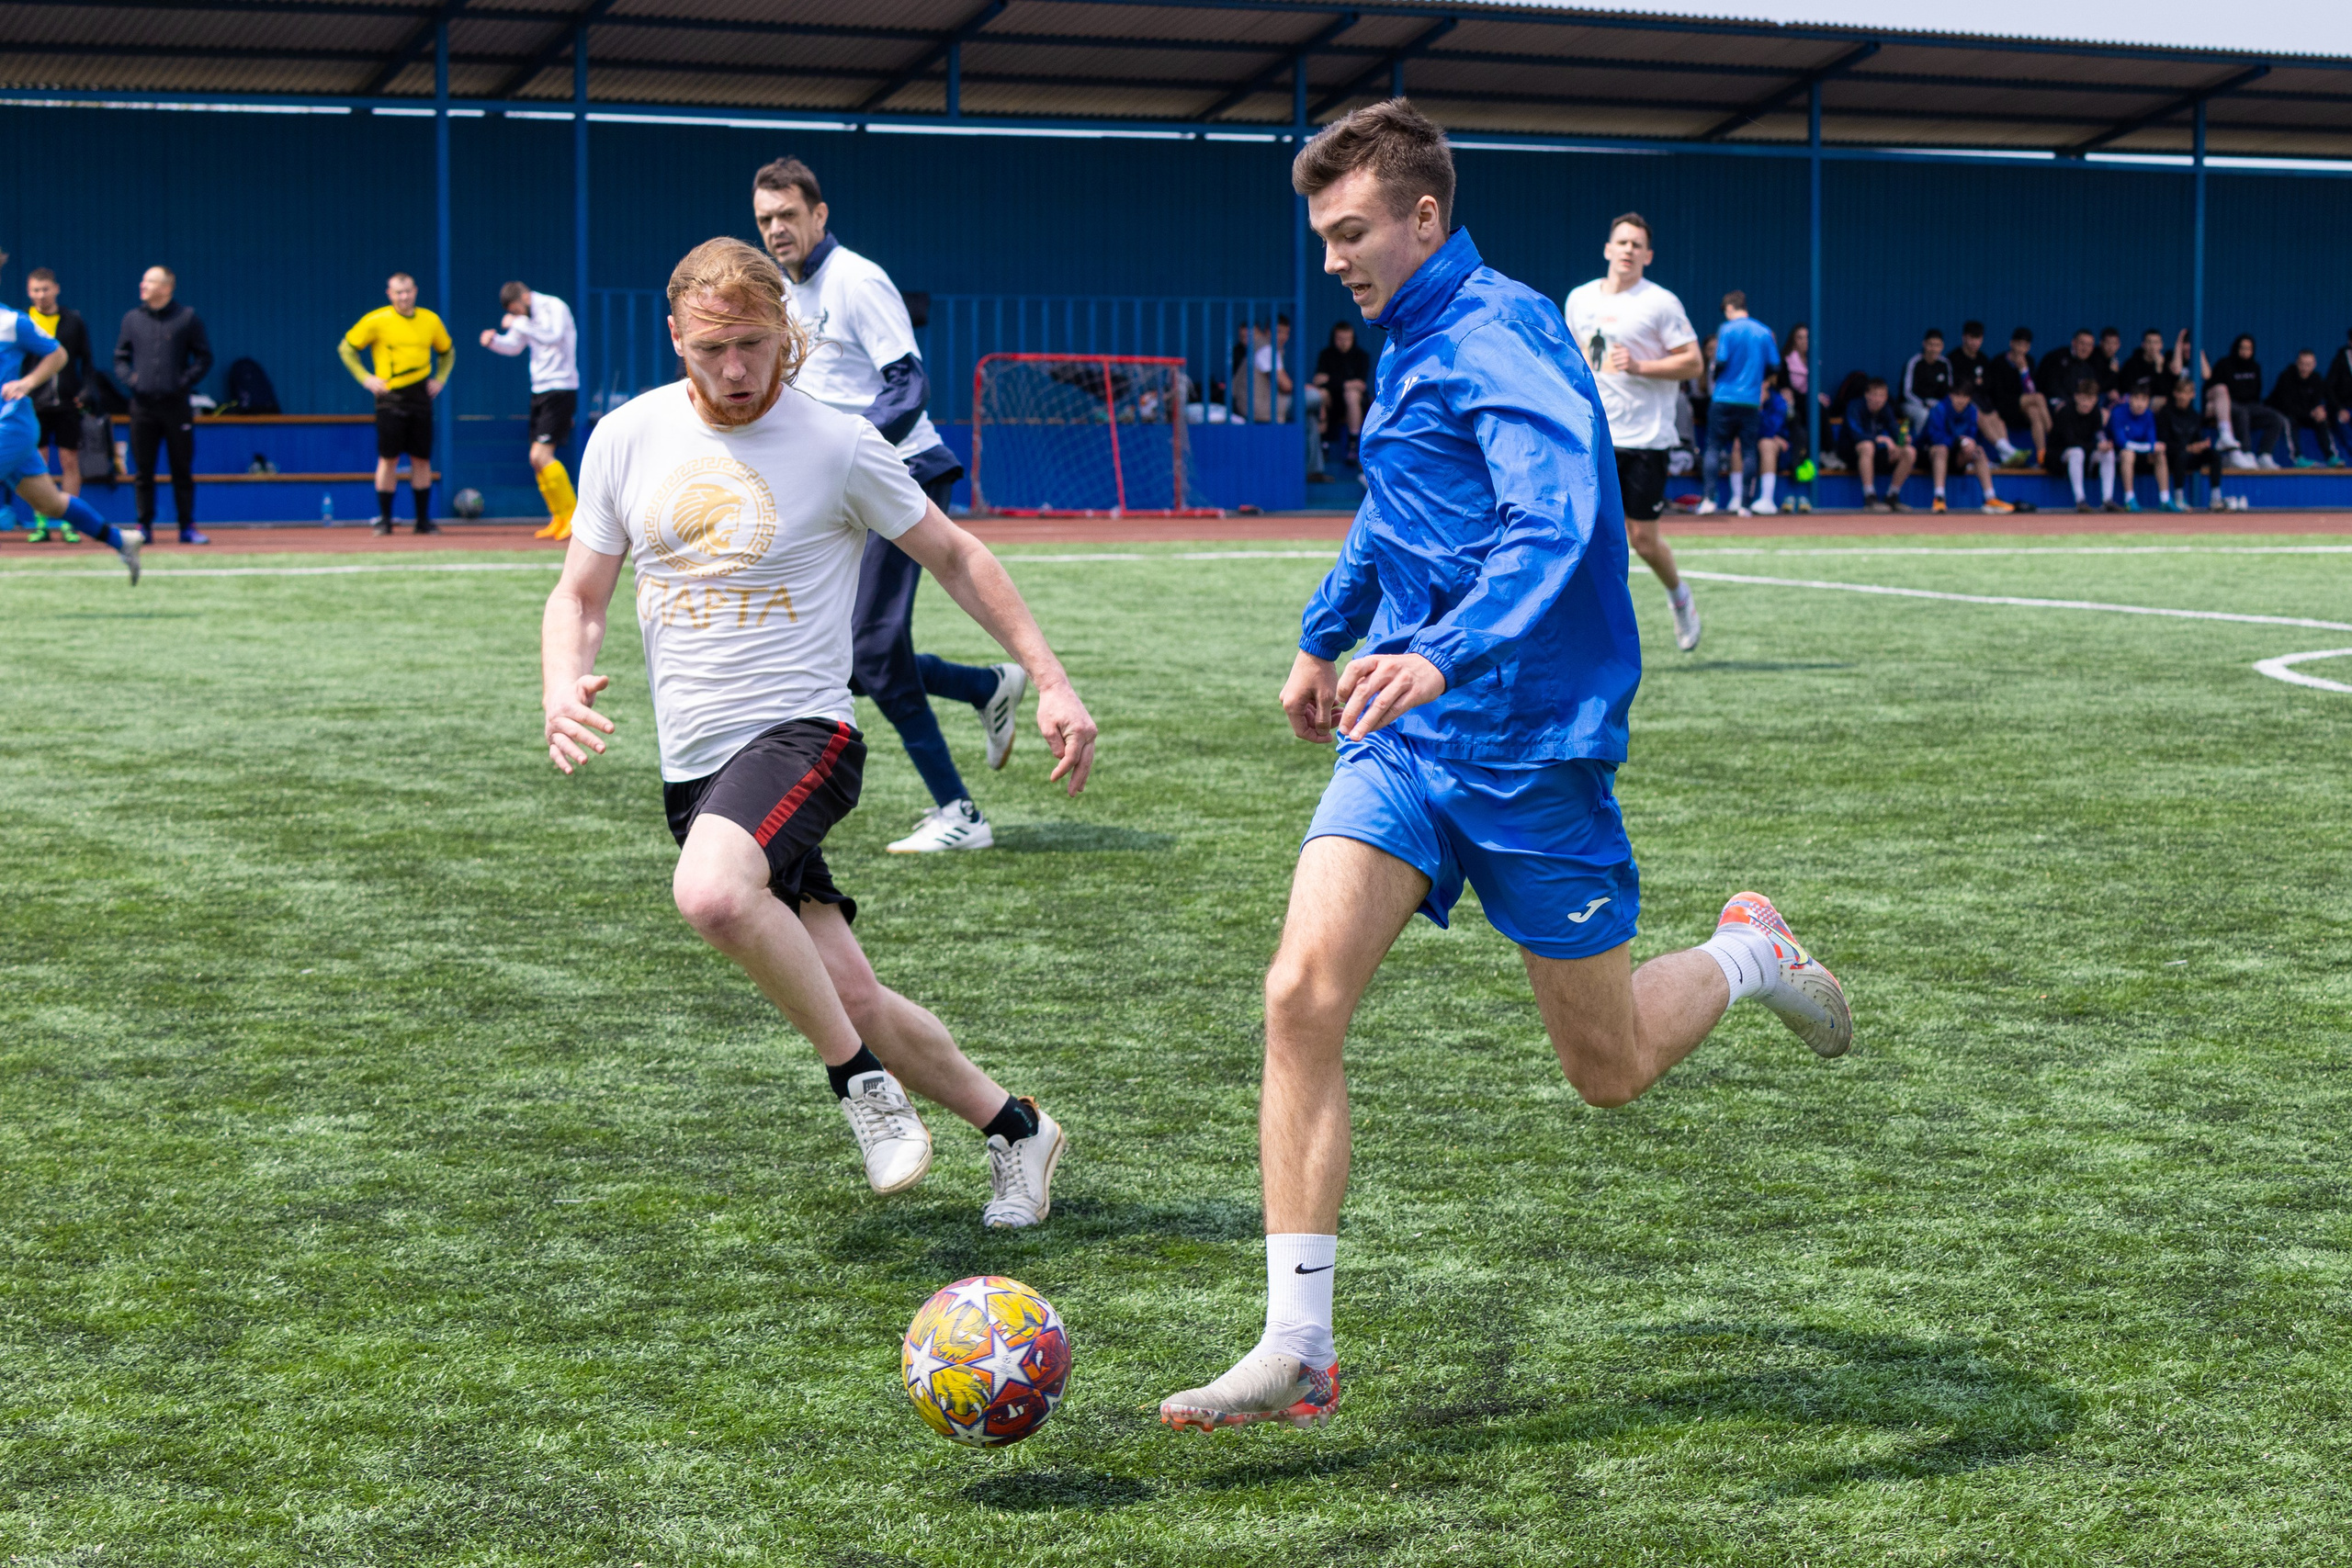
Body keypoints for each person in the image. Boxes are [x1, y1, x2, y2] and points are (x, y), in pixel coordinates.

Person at [1157, 98, 1851, 1435]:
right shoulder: (1411, 340)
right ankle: (1299, 1340)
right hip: (1409, 740)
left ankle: (1751, 949)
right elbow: (1398, 504)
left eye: (1352, 230)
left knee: (1609, 1065)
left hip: (1532, 741)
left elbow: (1556, 517)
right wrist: (1326, 638)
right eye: (1323, 235)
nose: (1335, 257)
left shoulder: (1505, 331)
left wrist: (1446, 649)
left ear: (1427, 217)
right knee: (1300, 990)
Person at [540, 237, 1096, 1226]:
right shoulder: (625, 438)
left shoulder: (836, 441)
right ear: (676, 337)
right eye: (712, 349)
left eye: (756, 344)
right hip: (696, 767)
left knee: (712, 895)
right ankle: (1017, 1129)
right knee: (856, 992)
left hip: (804, 736)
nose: (737, 370)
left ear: (787, 336)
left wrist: (1050, 682)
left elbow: (958, 556)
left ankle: (861, 1090)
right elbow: (579, 594)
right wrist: (560, 683)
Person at [754, 154, 1030, 854]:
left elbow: (908, 387)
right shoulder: (786, 298)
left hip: (899, 471)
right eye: (765, 219)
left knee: (870, 648)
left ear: (820, 215)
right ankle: (982, 685)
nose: (777, 229)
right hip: (846, 490)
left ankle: (960, 814)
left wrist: (845, 456)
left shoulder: (856, 279)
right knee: (851, 658)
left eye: (788, 214)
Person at [1562, 210, 1703, 649]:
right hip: (1594, 435)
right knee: (1580, 535)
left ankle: (1679, 597)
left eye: (1636, 244)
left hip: (1646, 440)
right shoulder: (1580, 299)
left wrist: (1641, 366)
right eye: (1621, 242)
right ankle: (1589, 632)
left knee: (1642, 538)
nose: (1628, 250)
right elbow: (1571, 357)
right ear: (1608, 249)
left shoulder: (1661, 303)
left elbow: (1694, 363)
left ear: (1648, 255)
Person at [0, 263, 141, 580]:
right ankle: (122, 540)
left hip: (10, 424)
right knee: (50, 503)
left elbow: (59, 355)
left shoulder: (11, 322)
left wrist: (28, 382)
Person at [340, 272, 452, 536]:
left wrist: (440, 379)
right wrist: (366, 378)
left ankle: (422, 521)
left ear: (415, 291)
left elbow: (447, 352)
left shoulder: (430, 320)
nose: (404, 297)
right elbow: (346, 348)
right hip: (390, 398)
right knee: (388, 459)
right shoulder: (376, 320)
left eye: (408, 291)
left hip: (420, 397)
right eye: (398, 292)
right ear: (389, 294)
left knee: (421, 459)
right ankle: (385, 520)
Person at [114, 265, 212, 546]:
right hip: (142, 407)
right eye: (143, 280)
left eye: (150, 281)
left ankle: (187, 527)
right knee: (143, 471)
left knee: (181, 468)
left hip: (176, 407)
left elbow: (204, 358)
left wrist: (182, 382)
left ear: (167, 288)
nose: (142, 285)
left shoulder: (187, 318)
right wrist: (133, 380)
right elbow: (120, 357)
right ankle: (144, 526)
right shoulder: (132, 319)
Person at [481, 280, 581, 539]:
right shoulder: (524, 318)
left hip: (561, 387)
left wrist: (519, 323)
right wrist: (493, 341)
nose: (516, 315)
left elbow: (553, 336)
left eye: (516, 309)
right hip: (539, 389)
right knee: (536, 459)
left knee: (542, 454)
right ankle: (558, 517)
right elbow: (514, 345)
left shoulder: (553, 306)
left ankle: (574, 517)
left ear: (525, 297)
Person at [22, 267, 93, 540]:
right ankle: (40, 522)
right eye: (36, 290)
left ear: (56, 289)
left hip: (66, 405)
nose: (41, 295)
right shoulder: (22, 322)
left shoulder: (73, 321)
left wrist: (86, 392)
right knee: (37, 463)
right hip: (33, 406)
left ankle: (68, 522)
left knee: (69, 460)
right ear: (29, 292)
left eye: (45, 289)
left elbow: (86, 362)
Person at [1699, 289, 1773, 515]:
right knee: (1749, 450)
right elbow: (1775, 366)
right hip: (1750, 401)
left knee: (1713, 447)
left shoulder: (1727, 329)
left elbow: (1720, 361)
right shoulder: (1763, 331)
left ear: (1730, 308)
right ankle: (1745, 504)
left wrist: (1716, 374)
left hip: (1724, 397)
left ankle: (1709, 500)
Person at [1917, 382, 2015, 515]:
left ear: (1969, 398)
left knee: (1978, 451)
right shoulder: (1939, 409)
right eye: (1957, 395)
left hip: (1956, 458)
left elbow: (1971, 435)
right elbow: (1935, 437)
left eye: (1964, 396)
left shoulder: (1972, 410)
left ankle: (1990, 498)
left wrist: (1969, 444)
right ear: (1951, 396)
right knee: (1941, 449)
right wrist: (1958, 442)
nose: (1960, 400)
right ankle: (1939, 498)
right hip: (1930, 457)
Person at [2203, 334, 2290, 468]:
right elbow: (2214, 386)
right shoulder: (2224, 364)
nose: (2245, 351)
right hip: (2229, 405)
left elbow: (2256, 392)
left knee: (2276, 418)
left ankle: (2264, 455)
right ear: (2236, 348)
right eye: (2242, 348)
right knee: (2242, 411)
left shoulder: (2255, 367)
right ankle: (2246, 452)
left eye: (2249, 349)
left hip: (2250, 405)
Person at [1950, 321, 2028, 468]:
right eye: (1972, 338)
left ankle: (2006, 456)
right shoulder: (1954, 358)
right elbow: (1959, 386)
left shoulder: (1983, 359)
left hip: (1981, 399)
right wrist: (1975, 383)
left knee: (1998, 420)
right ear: (1964, 338)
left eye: (1978, 338)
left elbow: (1987, 385)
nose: (1975, 342)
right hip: (1963, 402)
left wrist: (1976, 383)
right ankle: (2006, 450)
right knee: (1980, 416)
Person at [1838, 377, 1915, 512]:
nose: (1878, 399)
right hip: (1851, 455)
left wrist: (1903, 440)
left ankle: (1892, 496)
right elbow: (1856, 435)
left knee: (1909, 451)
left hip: (1877, 455)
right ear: (1866, 395)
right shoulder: (1855, 406)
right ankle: (1870, 498)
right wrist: (1881, 440)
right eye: (1874, 395)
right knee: (1867, 445)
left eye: (1882, 396)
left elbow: (1895, 432)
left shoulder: (1886, 409)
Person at [2047, 379, 2115, 513]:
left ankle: (2108, 499)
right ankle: (2080, 500)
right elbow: (2070, 441)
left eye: (2090, 399)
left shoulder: (2095, 412)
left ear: (2095, 399)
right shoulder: (2065, 412)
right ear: (2076, 396)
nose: (2086, 403)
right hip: (2058, 455)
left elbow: (2098, 434)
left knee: (2108, 453)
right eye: (2083, 398)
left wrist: (2104, 444)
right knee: (2077, 452)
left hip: (2086, 452)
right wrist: (2096, 446)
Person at [1985, 325, 2049, 465]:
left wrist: (2024, 371)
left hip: (2021, 408)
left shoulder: (2029, 362)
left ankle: (2041, 456)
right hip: (2003, 406)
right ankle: (2052, 429)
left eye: (2026, 345)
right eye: (2019, 344)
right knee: (2039, 398)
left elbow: (2030, 390)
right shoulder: (1999, 362)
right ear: (2011, 343)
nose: (2022, 348)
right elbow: (1997, 394)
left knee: (2035, 412)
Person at [2157, 375, 2222, 512]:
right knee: (2182, 454)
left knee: (2215, 455)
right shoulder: (2165, 413)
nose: (2183, 396)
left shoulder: (2195, 415)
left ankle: (2216, 498)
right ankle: (2179, 498)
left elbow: (2196, 440)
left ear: (2192, 395)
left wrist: (2202, 446)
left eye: (2187, 393)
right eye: (2180, 392)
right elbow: (2163, 443)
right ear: (2175, 393)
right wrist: (2187, 448)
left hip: (2191, 456)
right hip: (2172, 457)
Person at [2102, 384, 2168, 512]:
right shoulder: (2118, 412)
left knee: (2160, 454)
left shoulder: (2148, 415)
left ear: (2148, 401)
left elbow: (2151, 440)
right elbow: (2122, 443)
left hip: (2142, 456)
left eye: (2144, 400)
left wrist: (2152, 447)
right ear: (2130, 399)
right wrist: (2150, 447)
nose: (2140, 403)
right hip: (2117, 456)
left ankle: (2165, 499)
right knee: (2128, 453)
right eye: (2137, 398)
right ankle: (2129, 499)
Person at [1313, 321, 1372, 466]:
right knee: (1321, 393)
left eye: (1347, 339)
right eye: (1340, 338)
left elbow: (1360, 385)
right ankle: (1323, 444)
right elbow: (1318, 381)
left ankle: (1352, 445)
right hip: (1331, 404)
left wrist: (1331, 379)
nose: (1344, 343)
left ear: (1353, 339)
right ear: (1334, 338)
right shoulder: (1326, 355)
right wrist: (1346, 383)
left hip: (1355, 405)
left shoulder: (1361, 356)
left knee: (1351, 394)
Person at [2267, 349, 2336, 466]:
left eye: (2308, 365)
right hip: (2285, 413)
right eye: (2302, 364)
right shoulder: (2286, 377)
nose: (2304, 368)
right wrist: (2310, 413)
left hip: (2306, 414)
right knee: (2290, 421)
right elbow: (2286, 407)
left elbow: (2317, 402)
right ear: (2297, 363)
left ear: (2314, 365)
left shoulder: (2317, 379)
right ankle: (2297, 458)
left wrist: (2319, 411)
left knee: (2322, 420)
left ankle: (2332, 457)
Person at [1754, 366, 1795, 515]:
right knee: (1738, 444)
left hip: (1780, 452)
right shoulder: (1743, 398)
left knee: (1766, 443)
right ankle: (1738, 500)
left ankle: (1767, 499)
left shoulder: (1778, 400)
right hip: (1750, 448)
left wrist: (1758, 407)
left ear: (1767, 383)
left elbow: (1769, 431)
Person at [2036, 328, 2103, 413]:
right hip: (2053, 401)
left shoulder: (2088, 368)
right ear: (2074, 342)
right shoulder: (2057, 357)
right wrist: (2073, 402)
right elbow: (2052, 387)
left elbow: (2092, 390)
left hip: (2078, 403)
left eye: (2089, 345)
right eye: (2082, 343)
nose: (2085, 348)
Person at [1900, 327, 1952, 431]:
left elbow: (1949, 390)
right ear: (1924, 344)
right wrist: (1923, 404)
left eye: (1937, 345)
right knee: (1924, 414)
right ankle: (1920, 445)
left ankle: (1945, 443)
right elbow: (1907, 392)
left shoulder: (1945, 364)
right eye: (1930, 344)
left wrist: (1938, 404)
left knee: (1948, 412)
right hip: (1913, 404)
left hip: (1936, 404)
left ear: (1942, 347)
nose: (1933, 349)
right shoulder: (1914, 362)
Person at [2327, 328, 2352, 453]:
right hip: (2342, 408)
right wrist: (2339, 408)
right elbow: (2329, 388)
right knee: (2342, 420)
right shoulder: (2340, 361)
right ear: (2350, 342)